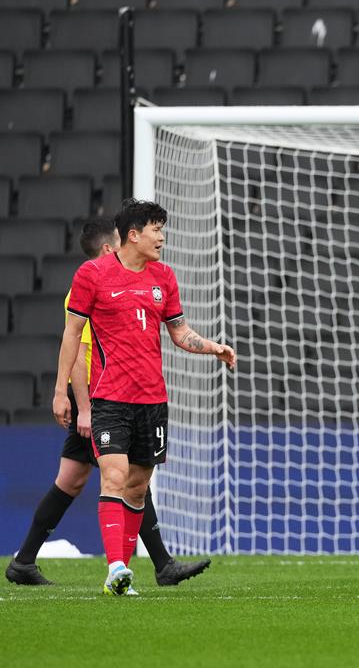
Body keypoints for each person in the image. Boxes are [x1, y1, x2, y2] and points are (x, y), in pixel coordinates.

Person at [6, 218, 210, 588]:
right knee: (122, 479)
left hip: (109, 394)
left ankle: (24, 561)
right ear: (107, 249)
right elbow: (80, 353)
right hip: (99, 397)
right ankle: (154, 564)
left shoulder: (132, 280)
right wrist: (84, 409)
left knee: (76, 480)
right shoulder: (93, 284)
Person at [52, 199, 236, 596]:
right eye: (156, 229)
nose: (162, 237)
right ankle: (115, 568)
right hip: (109, 398)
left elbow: (179, 332)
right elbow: (72, 335)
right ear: (133, 235)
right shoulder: (92, 274)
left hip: (152, 400)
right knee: (114, 476)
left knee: (137, 487)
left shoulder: (164, 276)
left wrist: (212, 348)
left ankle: (121, 577)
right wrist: (60, 391)